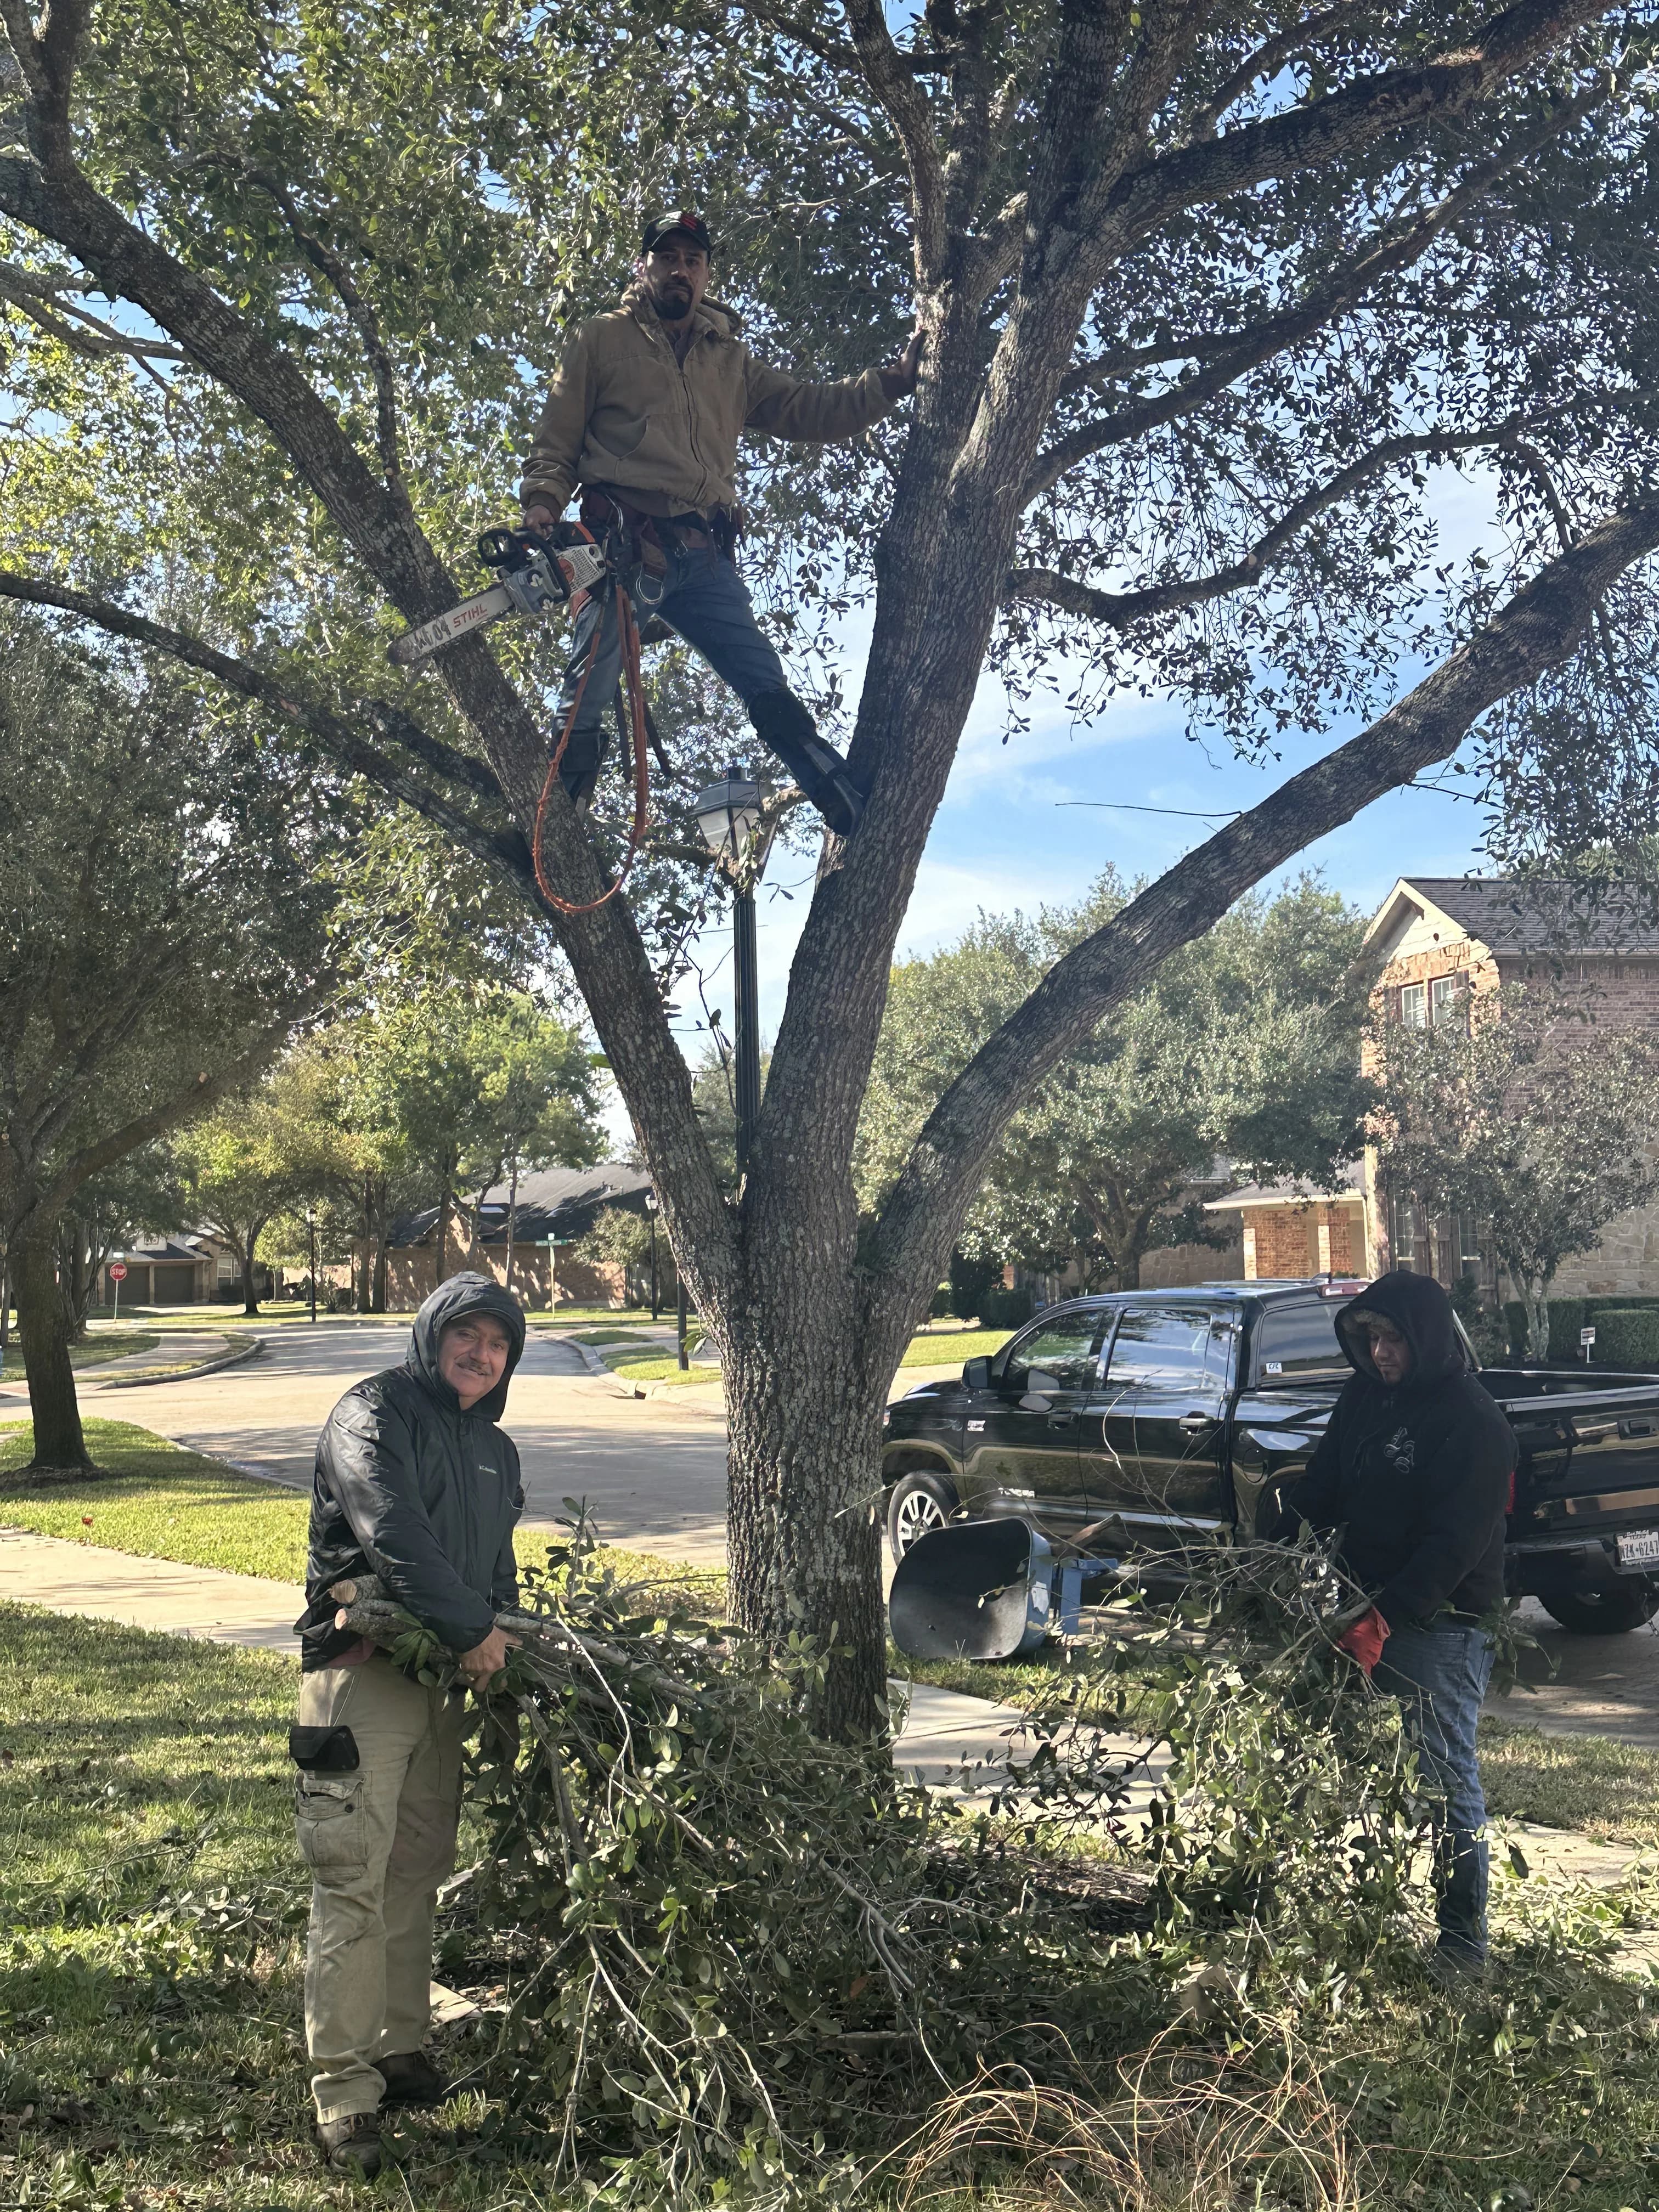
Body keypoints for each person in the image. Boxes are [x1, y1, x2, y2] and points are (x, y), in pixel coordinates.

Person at [520, 208, 924, 838]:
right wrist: (543, 502)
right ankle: (557, 825)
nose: (679, 269)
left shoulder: (730, 359)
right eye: (667, 257)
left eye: (692, 260)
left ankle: (833, 788)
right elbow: (558, 437)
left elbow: (804, 408)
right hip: (624, 545)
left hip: (704, 554)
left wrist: (891, 383)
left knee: (760, 675)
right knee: (590, 686)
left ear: (705, 274)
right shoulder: (601, 339)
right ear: (644, 266)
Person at [291, 1273, 527, 2174]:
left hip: (446, 1686)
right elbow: (392, 1532)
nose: (479, 1353)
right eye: (463, 1334)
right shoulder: (372, 1413)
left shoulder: (493, 1447)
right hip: (364, 1677)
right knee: (352, 1872)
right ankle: (344, 2095)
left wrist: (498, 1649)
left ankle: (399, 2048)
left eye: (497, 1343)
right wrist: (471, 1630)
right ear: (431, 1335)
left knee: (416, 1869)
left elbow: (491, 1562)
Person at [1272, 1269, 1517, 1984]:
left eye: (1394, 1339)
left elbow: (1456, 1544)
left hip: (1442, 1620)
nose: (1380, 1353)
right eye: (1370, 1338)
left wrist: (1386, 1617)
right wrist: (1273, 1542)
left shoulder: (1472, 1421)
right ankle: (1337, 1907)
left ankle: (1462, 1948)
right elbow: (1324, 1486)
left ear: (1427, 1337)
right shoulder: (1364, 1399)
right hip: (1356, 1603)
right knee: (1330, 1761)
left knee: (1446, 1779)